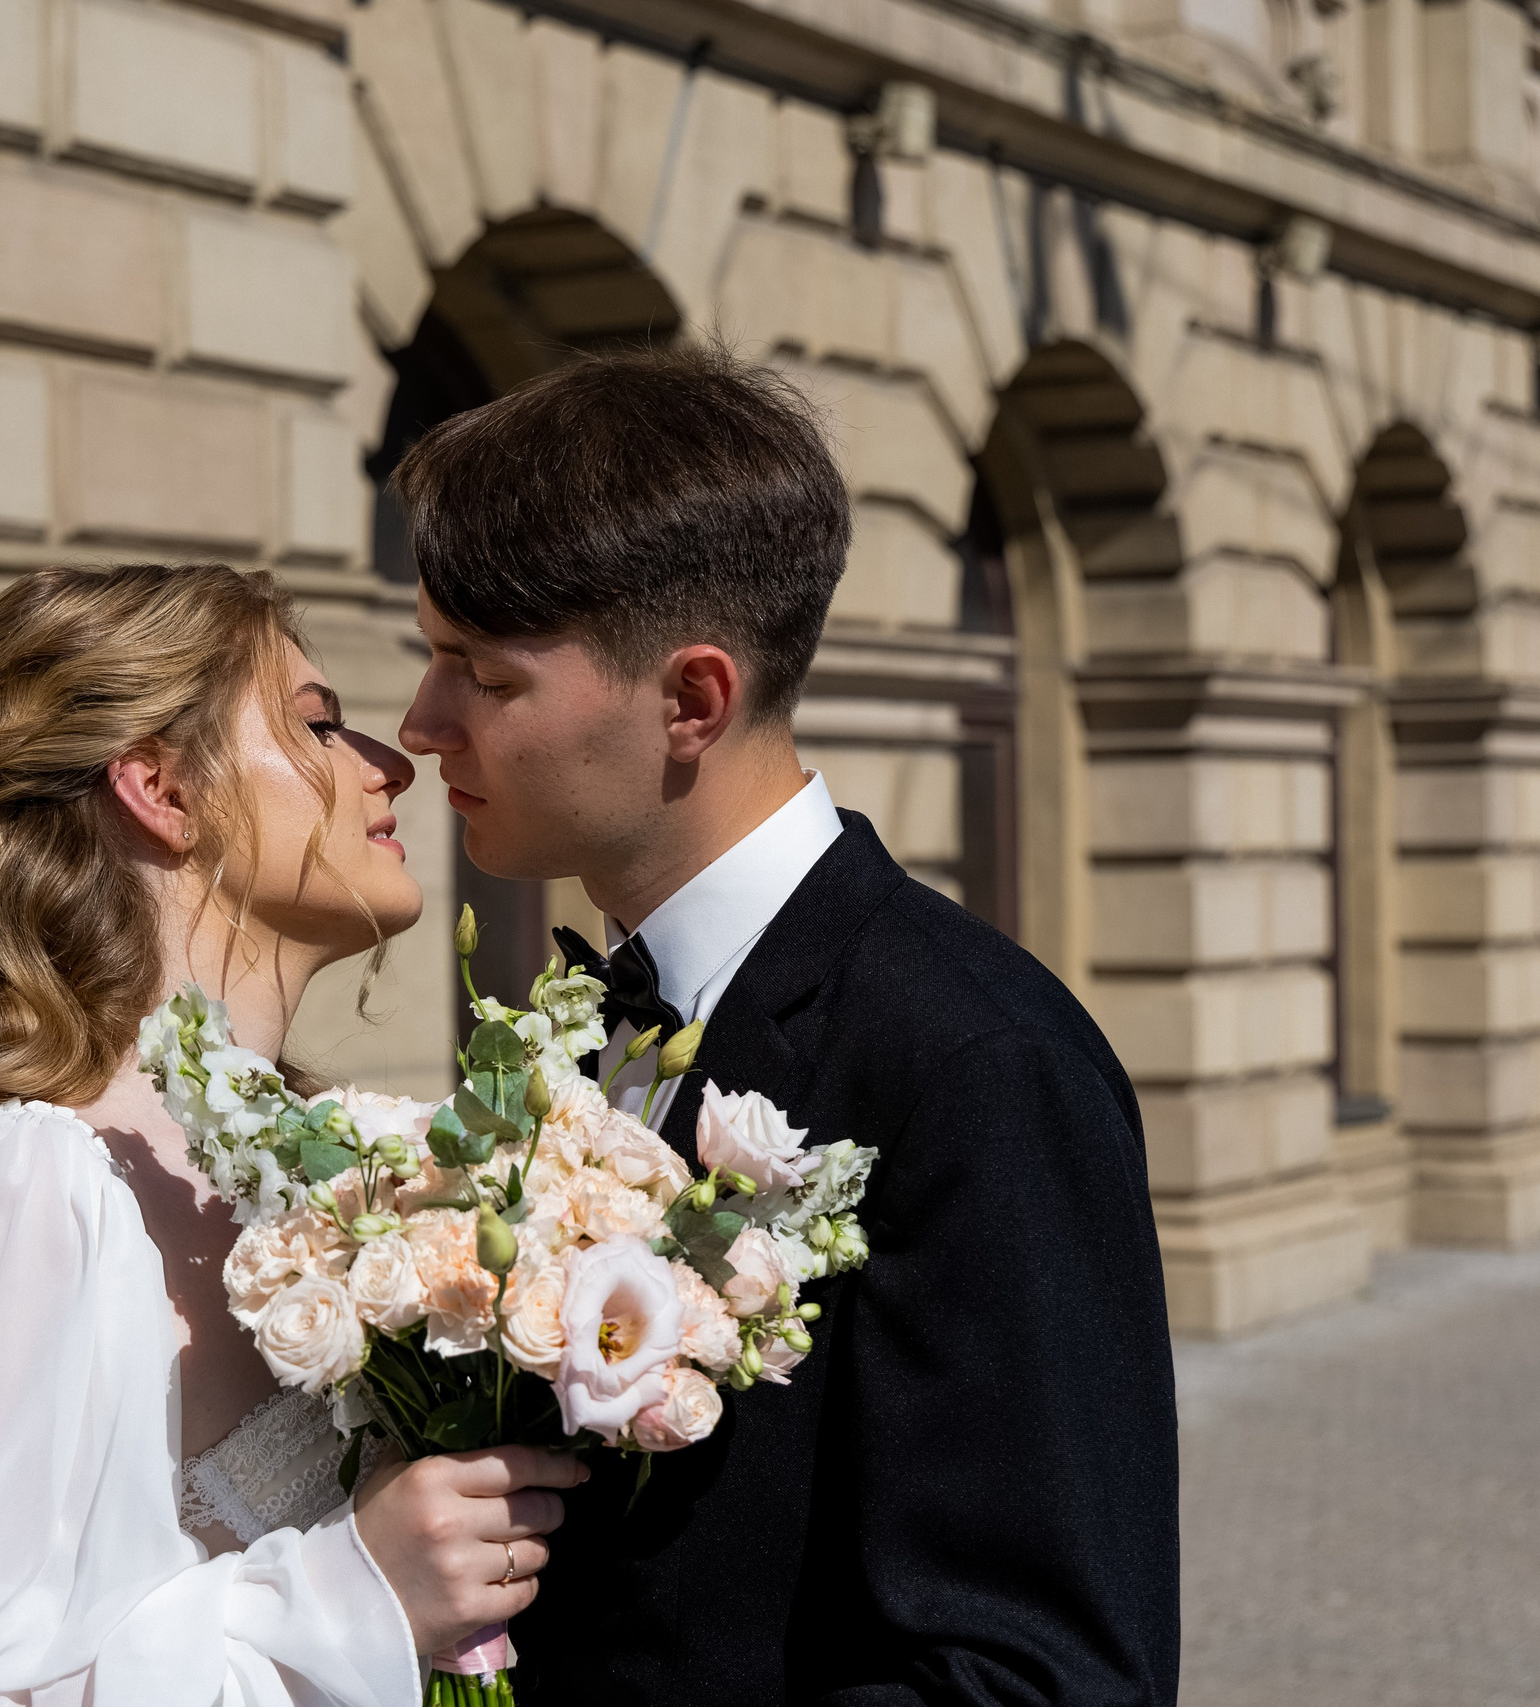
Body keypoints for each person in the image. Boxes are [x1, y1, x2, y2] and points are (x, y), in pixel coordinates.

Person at [394, 348, 1182, 1705]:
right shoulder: (580, 1035)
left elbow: (1038, 1676)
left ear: (692, 698)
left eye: (483, 673)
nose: (420, 723)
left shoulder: (976, 1060)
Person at [0, 564, 583, 1707]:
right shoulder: (20, 1183)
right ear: (161, 789)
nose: (390, 763)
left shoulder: (334, 1187)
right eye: (317, 724)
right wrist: (344, 1602)